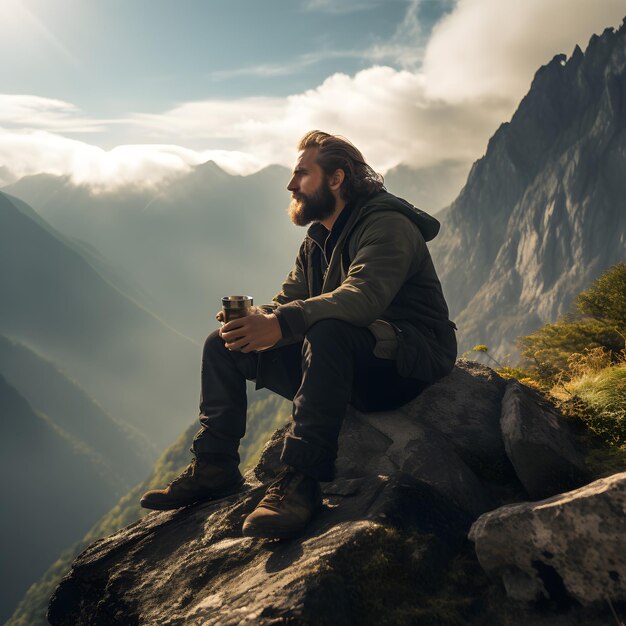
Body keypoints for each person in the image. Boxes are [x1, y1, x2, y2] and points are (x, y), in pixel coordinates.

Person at [140, 130, 457, 539]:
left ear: (336, 179)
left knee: (327, 332)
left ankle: (301, 483)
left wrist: (280, 323)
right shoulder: (318, 240)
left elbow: (362, 298)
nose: (291, 185)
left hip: (406, 364)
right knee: (224, 344)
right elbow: (289, 300)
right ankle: (215, 466)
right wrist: (257, 319)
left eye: (301, 174)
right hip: (345, 365)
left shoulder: (387, 224)